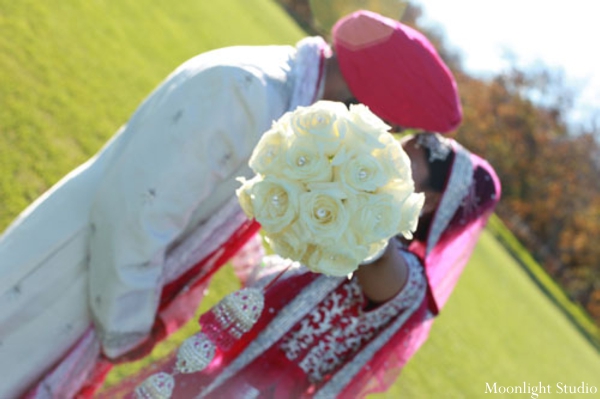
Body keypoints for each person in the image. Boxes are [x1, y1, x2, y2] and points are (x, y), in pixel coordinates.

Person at [0, 10, 462, 399]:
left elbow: (228, 210)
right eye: (385, 126)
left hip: (92, 286)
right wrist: (126, 328)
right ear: (368, 104)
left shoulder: (287, 106)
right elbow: (137, 213)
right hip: (68, 279)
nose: (377, 138)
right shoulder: (247, 92)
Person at [97, 131, 501, 399]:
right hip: (219, 364)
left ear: (429, 202)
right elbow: (272, 279)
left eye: (402, 164)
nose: (385, 162)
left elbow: (372, 255)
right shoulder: (343, 234)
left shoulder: (404, 279)